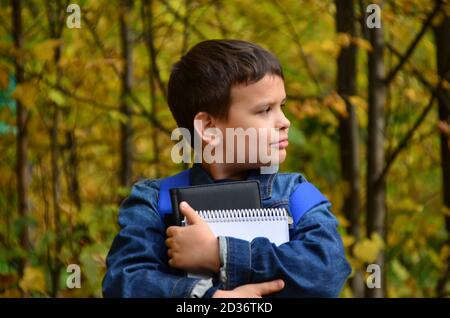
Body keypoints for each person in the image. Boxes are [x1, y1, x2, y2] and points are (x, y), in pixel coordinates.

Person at [102, 39, 351, 298]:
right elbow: (123, 283)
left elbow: (328, 270)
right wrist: (211, 299)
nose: (285, 122)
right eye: (265, 110)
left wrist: (220, 254)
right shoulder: (154, 202)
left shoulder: (297, 194)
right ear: (208, 128)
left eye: (282, 107)